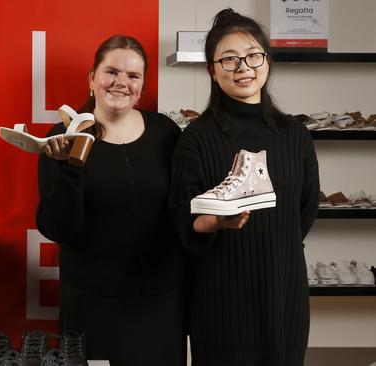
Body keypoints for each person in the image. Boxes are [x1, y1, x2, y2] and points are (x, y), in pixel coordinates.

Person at [169, 9, 320, 366]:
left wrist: (274, 249)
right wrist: (208, 225)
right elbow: (180, 217)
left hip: (284, 293)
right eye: (230, 59)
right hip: (220, 297)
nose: (244, 68)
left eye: (253, 56)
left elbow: (305, 209)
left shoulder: (294, 136)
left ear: (266, 61)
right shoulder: (196, 139)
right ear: (212, 69)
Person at [36, 35, 186, 365]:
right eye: (111, 72)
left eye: (133, 76)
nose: (121, 83)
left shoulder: (166, 133)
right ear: (92, 78)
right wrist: (72, 166)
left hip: (160, 301)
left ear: (143, 85)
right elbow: (59, 227)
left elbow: (181, 211)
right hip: (91, 303)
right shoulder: (60, 139)